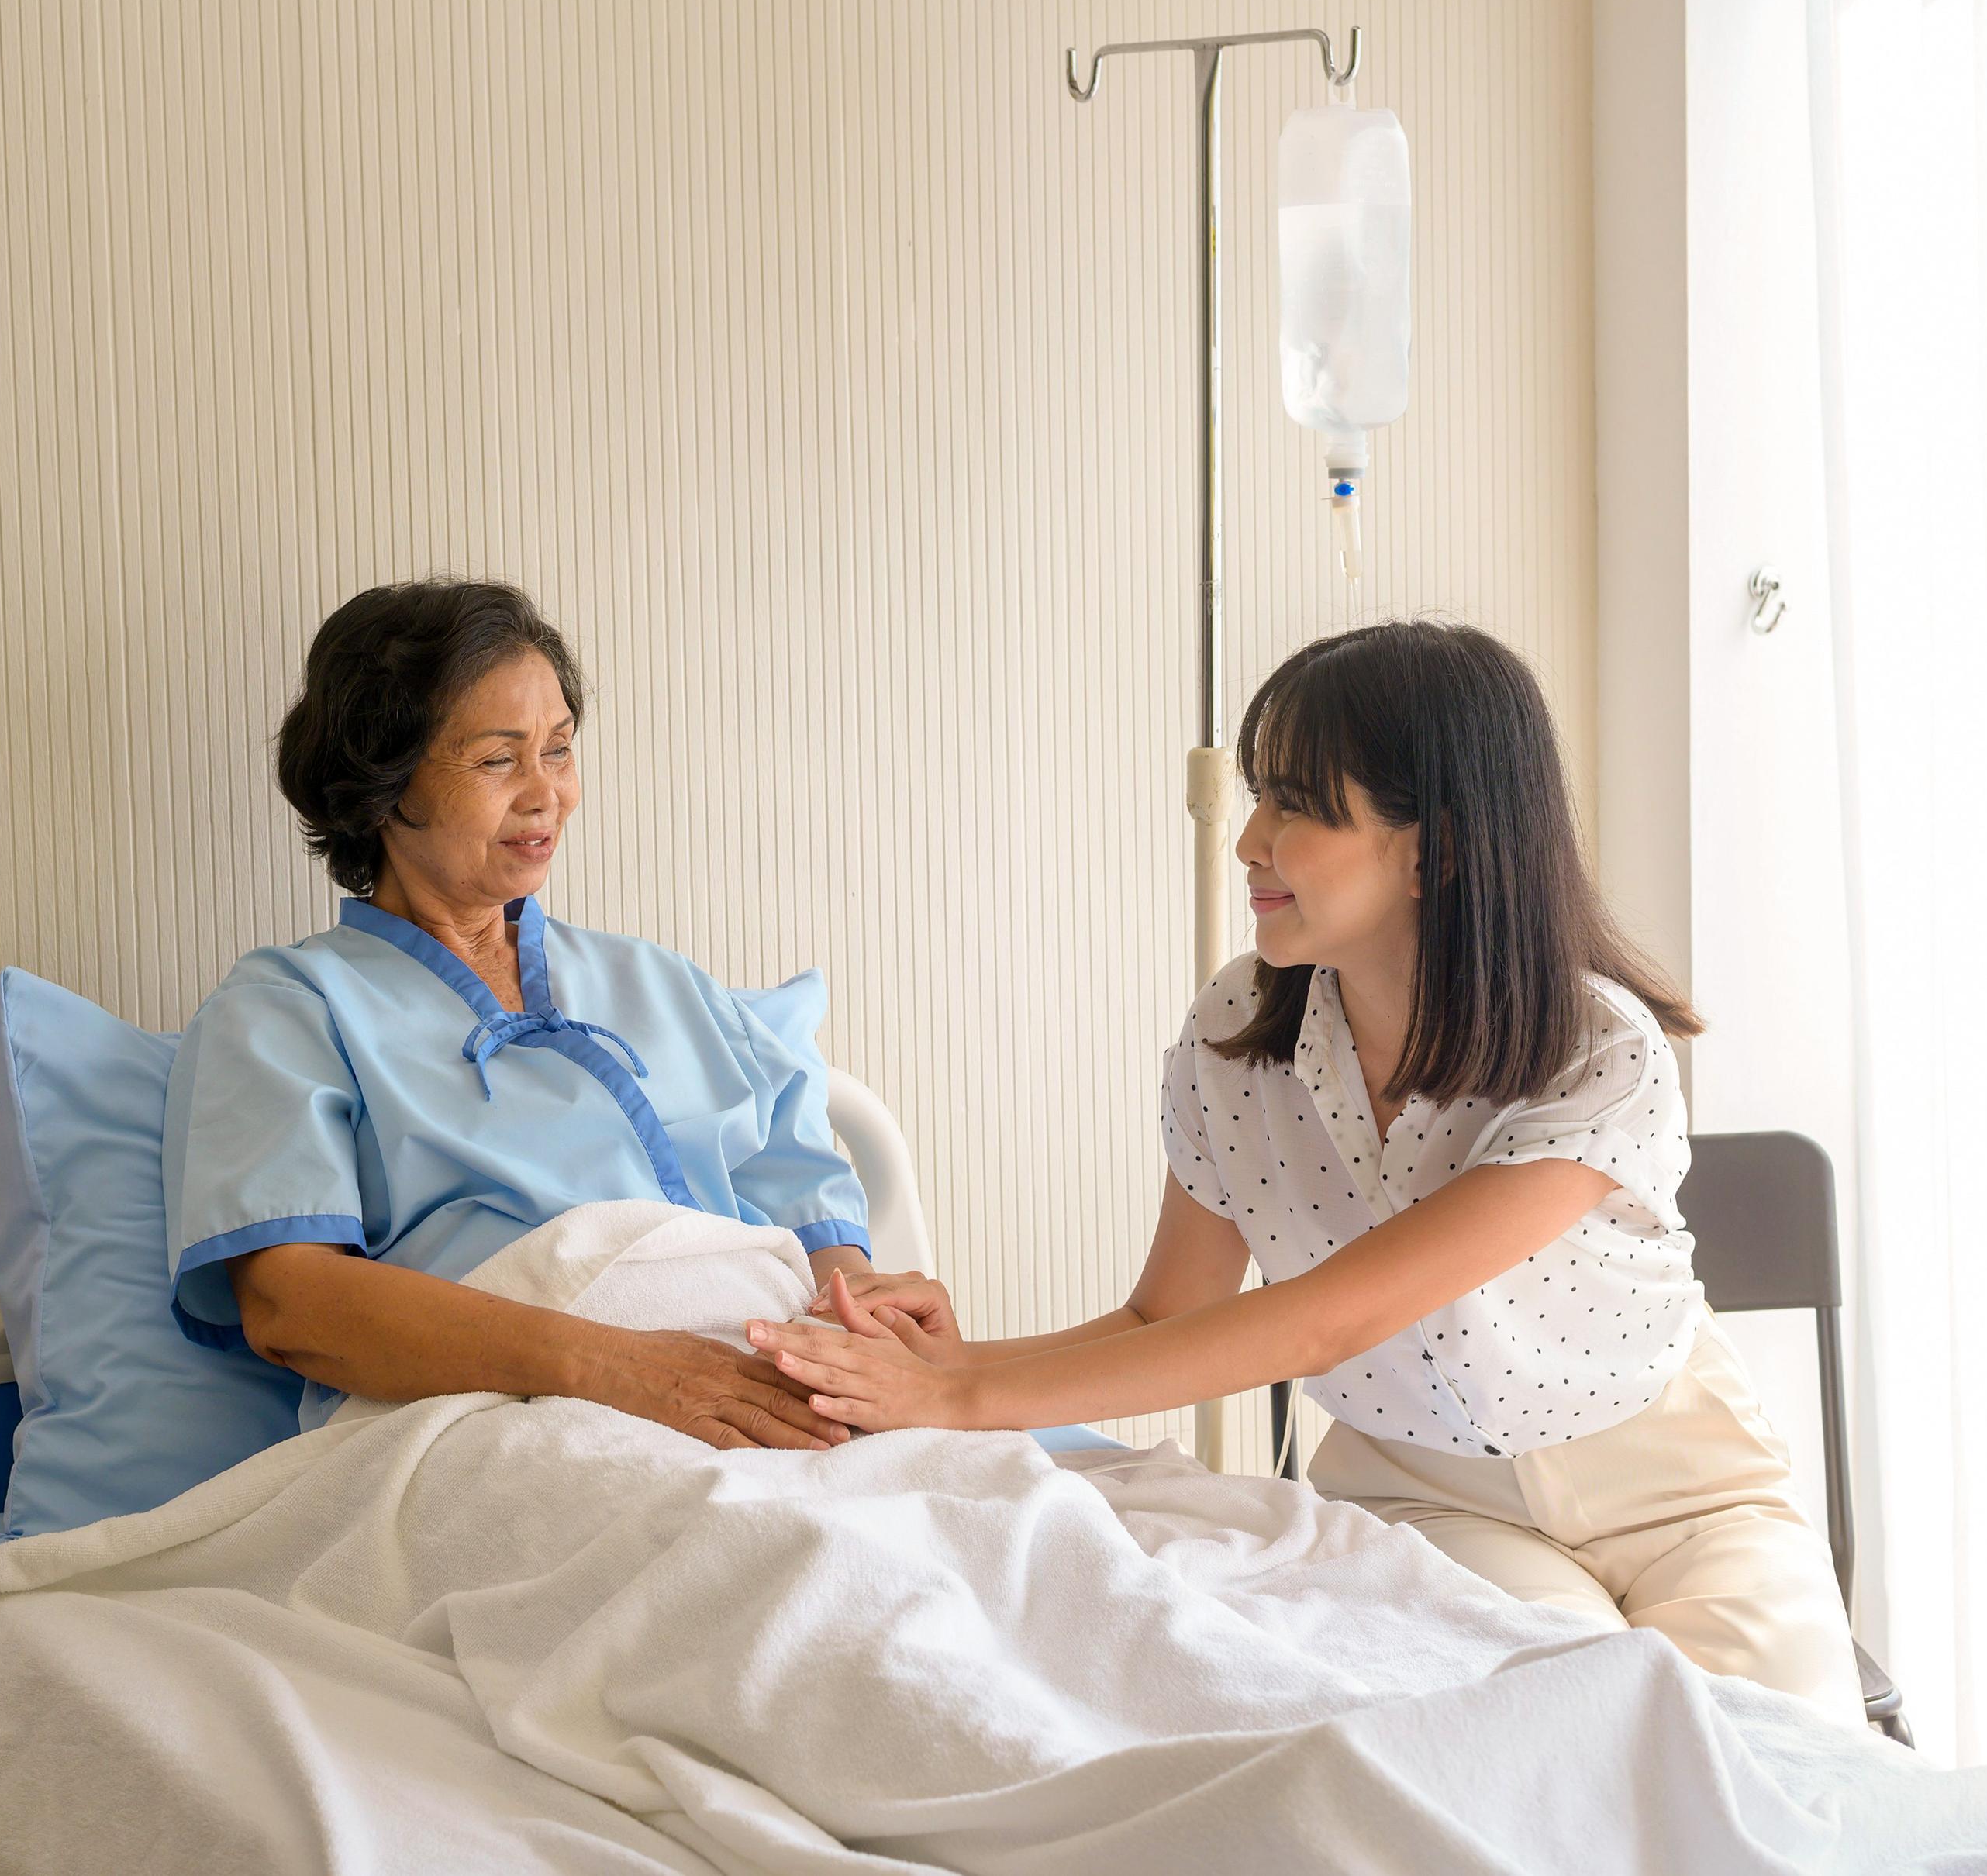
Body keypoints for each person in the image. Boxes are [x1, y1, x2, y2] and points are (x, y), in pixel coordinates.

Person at [748, 620, 1865, 1722]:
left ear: (1441, 845)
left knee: (1781, 1757)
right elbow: (1164, 1310)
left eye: (1295, 804)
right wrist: (950, 1366)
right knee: (1556, 1755)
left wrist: (962, 1394)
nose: (1248, 841)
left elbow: (1328, 1320)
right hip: (1428, 1497)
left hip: (1677, 1484)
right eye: (1256, 797)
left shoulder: (1595, 1048)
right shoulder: (1235, 1033)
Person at [165, 577, 870, 1452]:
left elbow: (815, 1222)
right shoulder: (288, 1008)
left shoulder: (665, 983)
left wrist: (869, 1324)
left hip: (768, 1384)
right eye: (499, 759)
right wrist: (621, 1369)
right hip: (503, 1419)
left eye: (561, 750)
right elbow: (292, 1303)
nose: (548, 795)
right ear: (383, 784)